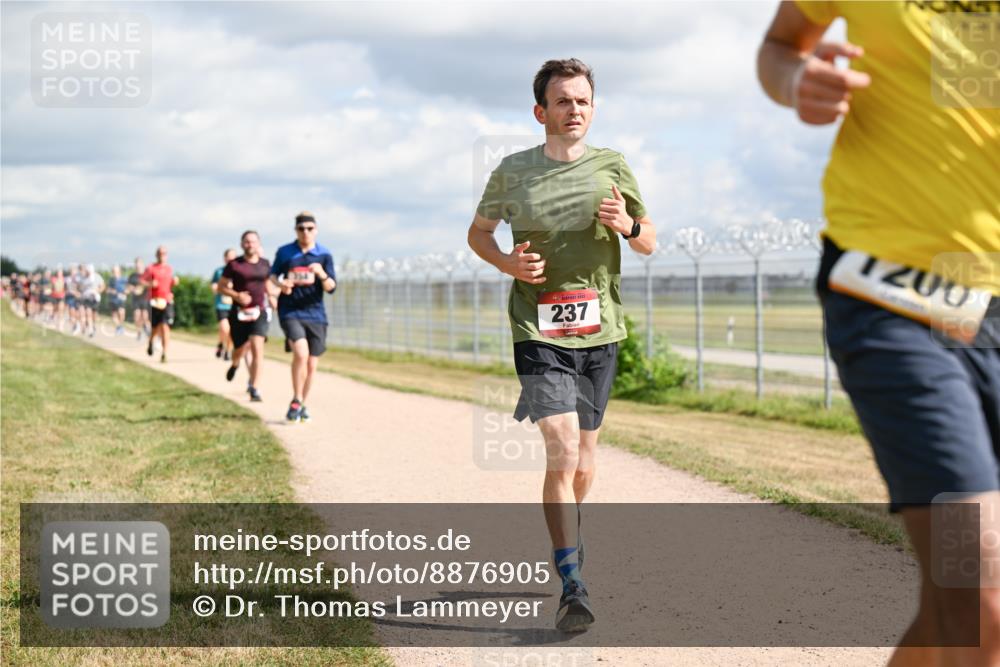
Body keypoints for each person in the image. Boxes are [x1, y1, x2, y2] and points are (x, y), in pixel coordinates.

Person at [758, 3, 999, 664]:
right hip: (894, 294)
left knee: (953, 607)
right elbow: (781, 43)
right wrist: (797, 79)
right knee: (978, 590)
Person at [467, 58, 656, 632]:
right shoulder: (512, 171)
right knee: (564, 448)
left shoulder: (613, 167)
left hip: (601, 330)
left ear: (592, 109)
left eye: (583, 101)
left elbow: (649, 242)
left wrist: (627, 224)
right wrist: (508, 264)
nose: (575, 109)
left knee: (586, 459)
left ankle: (570, 529)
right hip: (537, 327)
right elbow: (478, 234)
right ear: (540, 111)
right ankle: (572, 580)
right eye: (564, 101)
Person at [270, 211, 337, 422]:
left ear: (315, 230)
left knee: (311, 364)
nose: (305, 232)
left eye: (309, 228)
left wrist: (321, 274)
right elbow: (272, 276)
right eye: (301, 229)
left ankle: (301, 403)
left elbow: (331, 287)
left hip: (316, 314)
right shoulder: (285, 252)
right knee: (301, 353)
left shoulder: (324, 254)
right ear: (296, 230)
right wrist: (282, 284)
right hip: (290, 310)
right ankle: (297, 399)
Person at [218, 232, 273, 402]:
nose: (250, 244)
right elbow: (221, 287)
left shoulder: (266, 264)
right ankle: (235, 363)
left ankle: (254, 387)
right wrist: (236, 295)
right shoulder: (234, 265)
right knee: (239, 350)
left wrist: (273, 297)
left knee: (257, 347)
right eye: (247, 242)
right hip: (239, 313)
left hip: (259, 312)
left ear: (258, 244)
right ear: (242, 244)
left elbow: (268, 285)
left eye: (253, 242)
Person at [141, 246, 179, 363]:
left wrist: (174, 282)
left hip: (166, 301)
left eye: (164, 253)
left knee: (165, 326)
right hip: (154, 301)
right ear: (156, 255)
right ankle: (151, 342)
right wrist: (150, 284)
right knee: (155, 328)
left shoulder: (169, 269)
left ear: (166, 255)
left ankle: (164, 353)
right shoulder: (151, 268)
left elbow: (169, 284)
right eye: (160, 253)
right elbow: (142, 281)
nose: (162, 255)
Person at [211, 249, 238, 360]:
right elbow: (213, 285)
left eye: (233, 257)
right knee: (224, 328)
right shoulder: (219, 272)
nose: (231, 259)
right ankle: (221, 343)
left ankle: (228, 350)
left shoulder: (238, 272)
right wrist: (215, 287)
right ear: (225, 258)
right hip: (221, 304)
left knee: (232, 330)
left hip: (234, 305)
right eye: (229, 257)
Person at [78, 264, 104, 337]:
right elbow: (80, 288)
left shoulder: (97, 277)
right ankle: (90, 329)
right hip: (86, 298)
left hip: (95, 299)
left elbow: (102, 286)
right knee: (87, 312)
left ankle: (92, 325)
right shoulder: (83, 278)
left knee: (94, 314)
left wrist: (97, 291)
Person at [128, 257, 150, 340]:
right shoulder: (132, 276)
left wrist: (142, 287)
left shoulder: (147, 274)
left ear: (142, 264)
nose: (138, 265)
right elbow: (129, 286)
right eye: (136, 264)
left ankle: (147, 329)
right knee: (137, 316)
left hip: (145, 298)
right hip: (135, 299)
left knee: (144, 316)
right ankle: (139, 333)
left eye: (139, 263)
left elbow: (150, 284)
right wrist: (133, 289)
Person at [106, 264, 129, 335]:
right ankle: (119, 327)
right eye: (113, 271)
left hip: (121, 299)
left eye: (116, 271)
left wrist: (126, 291)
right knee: (114, 316)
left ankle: (120, 327)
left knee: (122, 313)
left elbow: (129, 287)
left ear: (119, 272)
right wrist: (112, 291)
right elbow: (107, 290)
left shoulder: (124, 279)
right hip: (113, 300)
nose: (114, 273)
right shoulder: (111, 280)